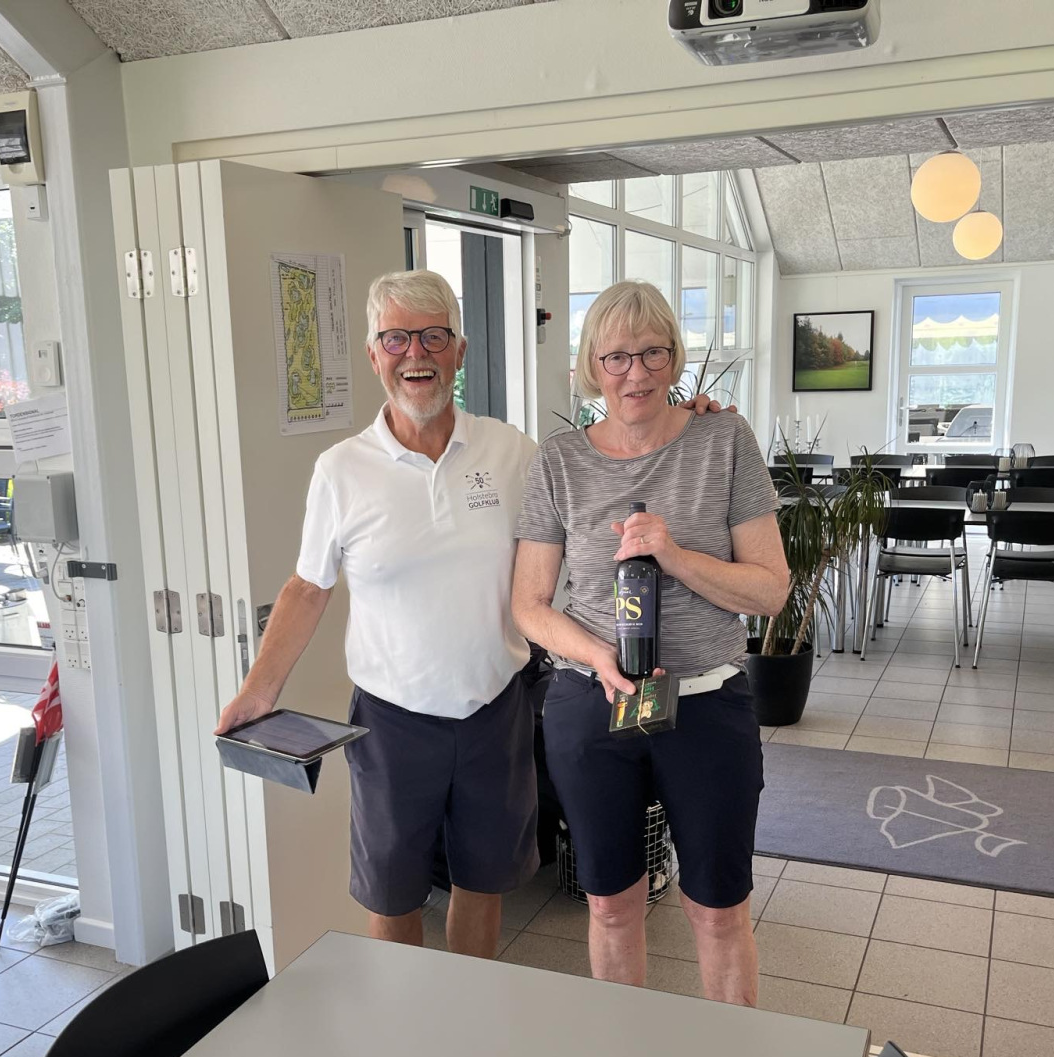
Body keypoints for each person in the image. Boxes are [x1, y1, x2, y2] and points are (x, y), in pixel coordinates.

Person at [214, 270, 729, 958]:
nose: (415, 354)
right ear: (373, 354)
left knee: (484, 885)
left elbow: (602, 474)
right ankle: (404, 1011)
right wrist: (258, 691)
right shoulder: (342, 469)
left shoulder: (510, 451)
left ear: (459, 351)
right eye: (396, 338)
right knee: (392, 896)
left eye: (434, 336)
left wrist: (681, 423)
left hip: (496, 711)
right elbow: (308, 588)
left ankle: (470, 1010)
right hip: (391, 721)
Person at [511, 280, 789, 1006]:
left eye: (652, 353)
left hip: (706, 705)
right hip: (591, 704)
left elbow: (770, 590)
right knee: (609, 904)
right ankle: (623, 1055)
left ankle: (730, 1055)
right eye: (616, 357)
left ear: (674, 357)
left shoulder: (722, 441)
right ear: (591, 365)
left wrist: (675, 555)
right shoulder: (560, 461)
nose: (635, 373)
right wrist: (596, 656)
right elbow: (529, 604)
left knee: (718, 910)